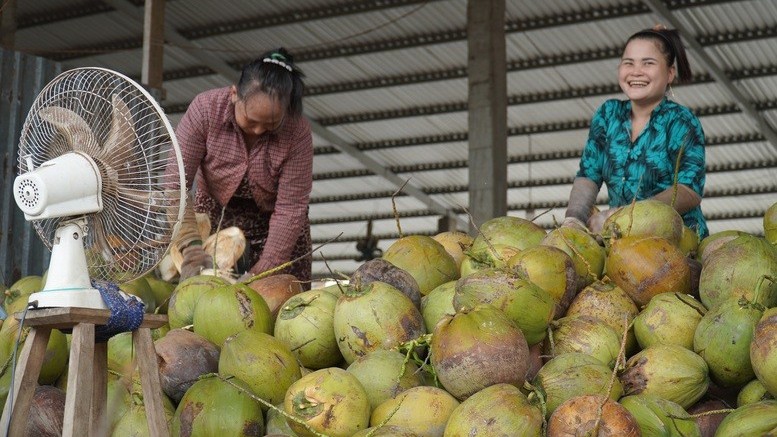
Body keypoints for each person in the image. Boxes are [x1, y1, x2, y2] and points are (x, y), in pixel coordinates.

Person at [173, 48, 313, 287]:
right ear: (235, 94)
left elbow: (291, 208)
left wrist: (264, 271)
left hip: (277, 230)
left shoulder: (297, 133)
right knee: (208, 296)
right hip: (217, 220)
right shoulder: (206, 110)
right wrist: (192, 247)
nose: (258, 131)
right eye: (251, 121)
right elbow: (175, 183)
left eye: (270, 125)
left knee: (276, 303)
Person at [562, 26, 708, 240]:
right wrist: (573, 219)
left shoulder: (681, 121)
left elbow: (689, 190)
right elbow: (588, 175)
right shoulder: (608, 115)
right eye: (628, 63)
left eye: (648, 63)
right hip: (620, 239)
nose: (636, 71)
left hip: (676, 240)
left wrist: (627, 215)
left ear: (669, 73)